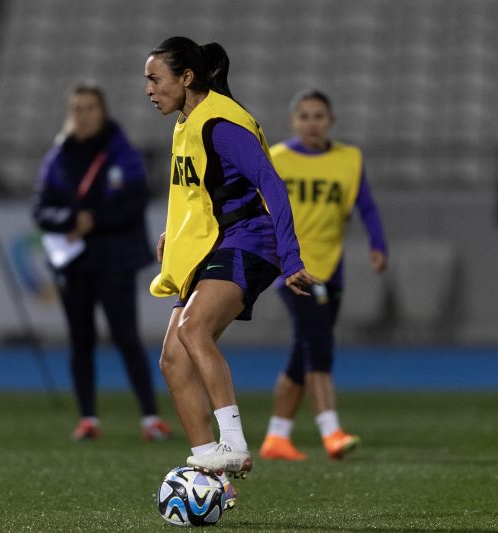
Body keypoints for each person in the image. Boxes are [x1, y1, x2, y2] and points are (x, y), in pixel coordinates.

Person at [143, 35, 318, 495]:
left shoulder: (220, 123)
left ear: (186, 77)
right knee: (173, 360)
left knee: (193, 329)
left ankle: (234, 443)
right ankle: (214, 477)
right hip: (215, 244)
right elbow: (196, 192)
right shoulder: (188, 121)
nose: (148, 89)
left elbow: (271, 185)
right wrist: (173, 234)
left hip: (249, 241)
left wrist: (291, 256)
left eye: (155, 79)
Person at [33, 82, 172, 442]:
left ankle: (150, 417)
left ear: (103, 111)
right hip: (75, 263)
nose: (82, 115)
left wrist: (91, 221)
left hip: (114, 259)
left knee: (126, 337)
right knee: (81, 341)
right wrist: (68, 220)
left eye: (89, 107)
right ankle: (88, 419)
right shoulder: (59, 154)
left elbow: (135, 202)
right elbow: (41, 208)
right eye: (76, 108)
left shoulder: (121, 152)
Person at [259, 89, 388, 461]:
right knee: (319, 345)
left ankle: (276, 436)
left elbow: (366, 204)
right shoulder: (278, 159)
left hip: (332, 268)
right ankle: (330, 431)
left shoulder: (348, 159)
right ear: (292, 122)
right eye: (304, 116)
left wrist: (378, 244)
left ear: (331, 121)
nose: (311, 123)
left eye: (318, 116)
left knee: (304, 351)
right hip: (292, 268)